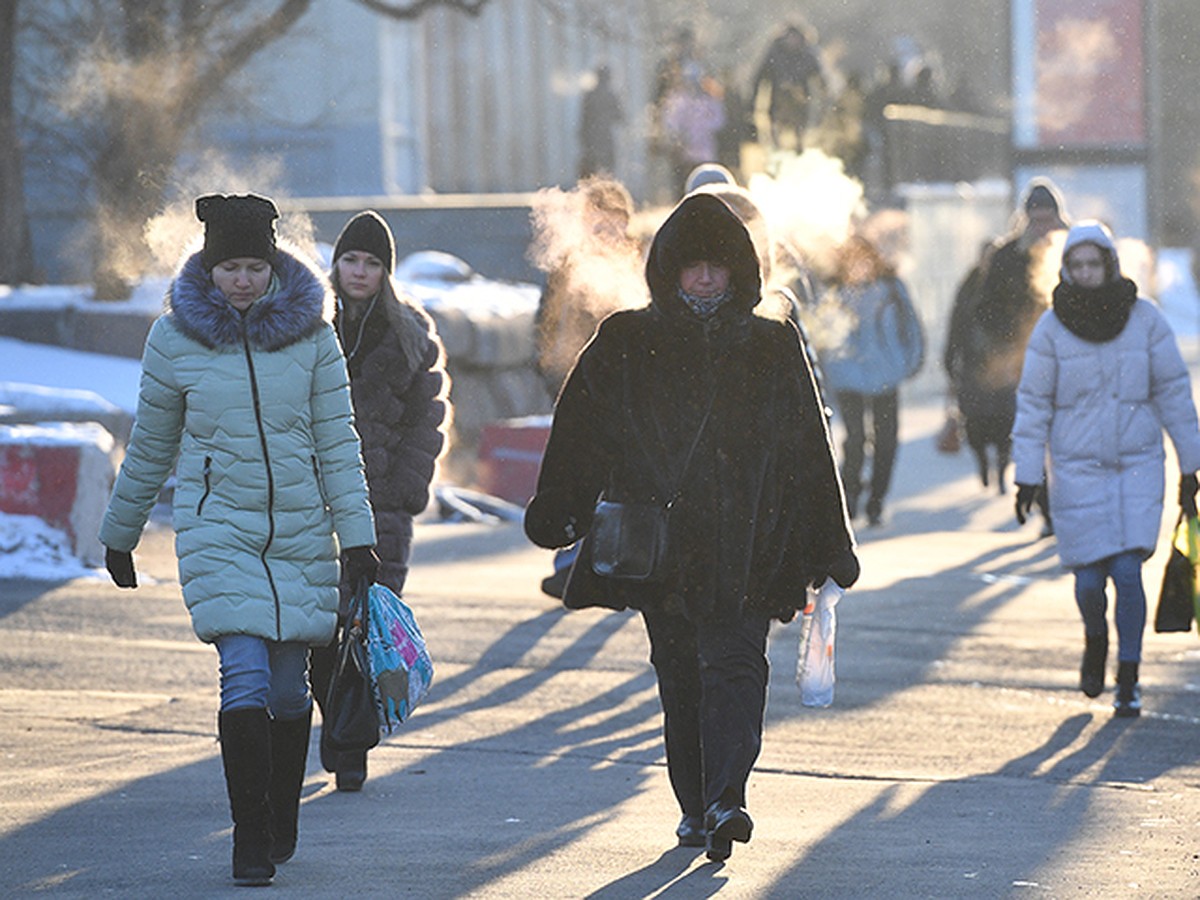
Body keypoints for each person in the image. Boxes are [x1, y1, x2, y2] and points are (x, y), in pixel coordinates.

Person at [524, 192, 859, 861]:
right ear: (669, 270)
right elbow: (583, 431)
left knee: (737, 667)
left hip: (751, 543)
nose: (705, 278)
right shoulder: (627, 340)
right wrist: (560, 506)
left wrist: (828, 543)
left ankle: (727, 798)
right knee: (680, 678)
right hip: (665, 549)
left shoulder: (771, 341)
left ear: (740, 271)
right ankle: (695, 804)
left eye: (718, 266)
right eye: (692, 266)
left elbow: (806, 449)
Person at [98, 193, 378, 886]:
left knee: (289, 693)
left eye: (255, 265)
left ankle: (280, 810)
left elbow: (337, 443)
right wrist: (120, 531)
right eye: (230, 267)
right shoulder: (173, 338)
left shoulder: (313, 337)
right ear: (209, 266)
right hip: (218, 529)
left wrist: (358, 539)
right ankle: (248, 837)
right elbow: (152, 444)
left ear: (274, 264)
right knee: (245, 676)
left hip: (299, 533)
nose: (243, 280)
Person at [1012, 220, 1200, 718]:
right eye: (1076, 265)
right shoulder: (1052, 328)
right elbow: (1033, 405)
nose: (1087, 273)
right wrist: (1028, 473)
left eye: (1094, 263)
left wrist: (1191, 465)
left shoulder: (1146, 320)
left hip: (1137, 465)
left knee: (1127, 572)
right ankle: (1096, 638)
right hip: (1076, 468)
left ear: (1110, 265)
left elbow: (1175, 396)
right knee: (1090, 581)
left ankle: (1130, 677)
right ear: (1066, 269)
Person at [308, 210, 451, 790]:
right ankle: (337, 724)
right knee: (318, 629)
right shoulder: (309, 326)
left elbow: (427, 422)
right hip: (313, 507)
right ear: (335, 265)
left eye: (371, 263)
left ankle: (351, 747)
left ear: (385, 271)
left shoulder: (411, 334)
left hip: (382, 507)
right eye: (351, 260)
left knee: (365, 628)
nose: (359, 272)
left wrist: (403, 491)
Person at [531, 175, 640, 599]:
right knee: (568, 474)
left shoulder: (636, 265)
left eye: (614, 222)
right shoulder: (567, 266)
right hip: (569, 384)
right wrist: (545, 370)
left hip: (620, 393)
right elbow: (546, 322)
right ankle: (567, 560)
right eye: (599, 221)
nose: (606, 231)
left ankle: (614, 561)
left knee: (614, 480)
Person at [945, 178, 1067, 523]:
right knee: (1036, 435)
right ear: (1025, 219)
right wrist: (1007, 340)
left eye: (1048, 219)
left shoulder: (1076, 250)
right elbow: (983, 309)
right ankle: (1048, 509)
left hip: (1072, 360)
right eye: (1036, 219)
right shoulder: (1006, 256)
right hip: (1023, 362)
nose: (1043, 228)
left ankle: (1063, 505)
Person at [818, 234, 924, 526]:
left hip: (886, 375)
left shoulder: (891, 289)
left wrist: (910, 362)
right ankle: (849, 493)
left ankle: (877, 498)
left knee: (886, 440)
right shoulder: (835, 292)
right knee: (854, 439)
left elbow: (911, 326)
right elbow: (823, 335)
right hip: (847, 375)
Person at [750, 23, 825, 150]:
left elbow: (818, 76)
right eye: (790, 37)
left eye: (795, 38)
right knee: (777, 130)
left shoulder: (806, 54)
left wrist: (824, 94)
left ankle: (798, 146)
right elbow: (760, 77)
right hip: (778, 100)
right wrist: (752, 101)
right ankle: (777, 149)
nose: (792, 41)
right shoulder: (774, 53)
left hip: (800, 100)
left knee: (799, 128)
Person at [578, 64, 625, 179]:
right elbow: (620, 117)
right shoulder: (611, 95)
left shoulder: (590, 95)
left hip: (591, 138)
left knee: (591, 170)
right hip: (605, 137)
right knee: (607, 169)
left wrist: (583, 136)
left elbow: (584, 118)